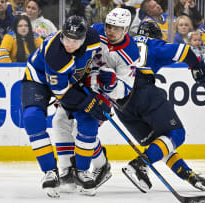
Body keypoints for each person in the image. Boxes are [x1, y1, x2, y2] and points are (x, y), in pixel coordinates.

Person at [103, 21, 205, 193]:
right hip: (142, 91)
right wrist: (197, 66)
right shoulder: (152, 43)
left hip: (120, 103)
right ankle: (139, 165)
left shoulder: (124, 41)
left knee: (161, 142)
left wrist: (188, 176)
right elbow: (184, 51)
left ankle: (188, 174)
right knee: (177, 133)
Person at [52, 7, 140, 193]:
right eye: (109, 26)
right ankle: (67, 171)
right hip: (79, 84)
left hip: (102, 93)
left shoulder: (130, 52)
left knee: (81, 128)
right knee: (59, 120)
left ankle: (97, 166)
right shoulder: (95, 31)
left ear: (126, 29)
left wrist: (112, 84)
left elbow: (125, 89)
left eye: (116, 28)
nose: (110, 31)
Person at [21, 15, 110, 197]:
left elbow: (112, 34)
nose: (69, 43)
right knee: (32, 118)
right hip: (39, 79)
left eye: (75, 40)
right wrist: (88, 101)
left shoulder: (94, 37)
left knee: (89, 121)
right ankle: (49, 171)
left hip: (70, 80)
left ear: (85, 38)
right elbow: (61, 93)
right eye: (66, 38)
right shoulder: (56, 54)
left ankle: (81, 171)